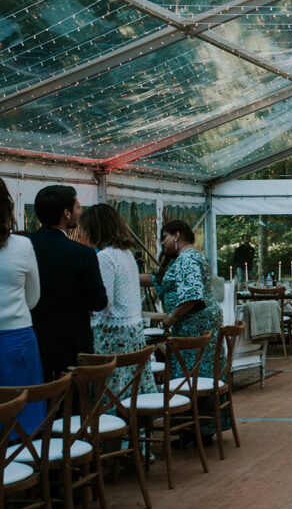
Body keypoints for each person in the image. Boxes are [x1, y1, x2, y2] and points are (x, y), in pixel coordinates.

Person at [142, 220, 223, 434]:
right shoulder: (187, 257)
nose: (162, 244)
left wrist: (172, 317)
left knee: (191, 373)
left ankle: (192, 428)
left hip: (194, 325)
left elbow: (193, 295)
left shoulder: (187, 258)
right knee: (196, 372)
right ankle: (199, 427)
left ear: (177, 235)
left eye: (164, 238)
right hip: (196, 323)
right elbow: (159, 280)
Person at [27, 185, 107, 381]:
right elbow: (98, 301)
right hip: (72, 344)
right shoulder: (82, 253)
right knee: (74, 397)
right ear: (66, 213)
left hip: (34, 337)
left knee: (40, 393)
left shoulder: (25, 245)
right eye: (77, 207)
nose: (79, 212)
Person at [79, 204, 158, 398]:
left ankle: (112, 416)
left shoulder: (105, 256)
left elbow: (103, 302)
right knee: (130, 388)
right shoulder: (126, 253)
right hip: (132, 331)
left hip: (113, 334)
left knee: (111, 390)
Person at [0, 178, 45, 436]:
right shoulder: (23, 246)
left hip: (17, 339)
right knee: (24, 418)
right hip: (18, 337)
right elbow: (32, 298)